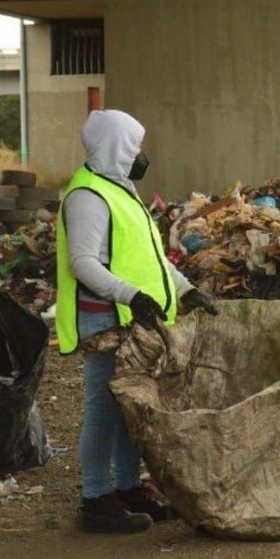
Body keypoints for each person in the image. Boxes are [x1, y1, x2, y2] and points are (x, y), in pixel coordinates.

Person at [55, 108, 219, 534]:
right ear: (117, 147)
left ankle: (128, 488)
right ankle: (95, 498)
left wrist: (185, 290)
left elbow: (152, 258)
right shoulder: (88, 197)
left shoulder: (120, 190)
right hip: (108, 321)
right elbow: (83, 263)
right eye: (136, 147)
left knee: (132, 409)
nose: (142, 155)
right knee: (104, 411)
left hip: (134, 320)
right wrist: (130, 295)